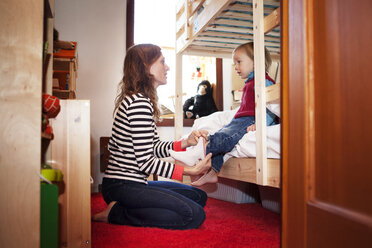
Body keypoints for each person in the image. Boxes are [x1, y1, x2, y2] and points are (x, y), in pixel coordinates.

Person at [92, 44, 212, 230]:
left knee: (199, 197)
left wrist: (186, 142)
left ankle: (125, 207)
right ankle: (116, 213)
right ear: (145, 67)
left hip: (134, 183)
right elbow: (146, 163)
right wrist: (191, 170)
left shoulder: (141, 100)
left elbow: (153, 146)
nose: (167, 67)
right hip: (122, 185)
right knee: (193, 215)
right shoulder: (138, 103)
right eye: (162, 62)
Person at [169, 42, 279, 186]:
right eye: (234, 63)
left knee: (224, 138)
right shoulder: (250, 82)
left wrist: (261, 124)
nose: (236, 67)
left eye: (239, 62)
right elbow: (245, 108)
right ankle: (213, 172)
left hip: (249, 120)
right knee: (223, 133)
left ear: (256, 61)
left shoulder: (264, 82)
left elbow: (271, 107)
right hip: (242, 119)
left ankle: (198, 153)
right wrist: (233, 122)